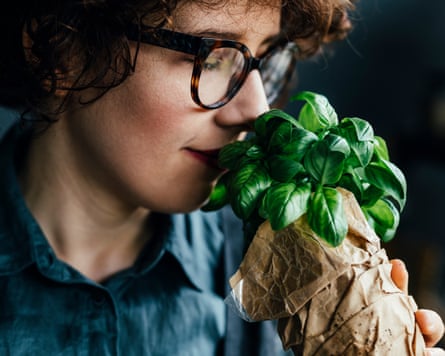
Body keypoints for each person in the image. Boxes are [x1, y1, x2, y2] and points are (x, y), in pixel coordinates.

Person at [0, 0, 443, 355]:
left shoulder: (284, 282)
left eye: (267, 58)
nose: (256, 109)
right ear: (62, 51)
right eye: (210, 56)